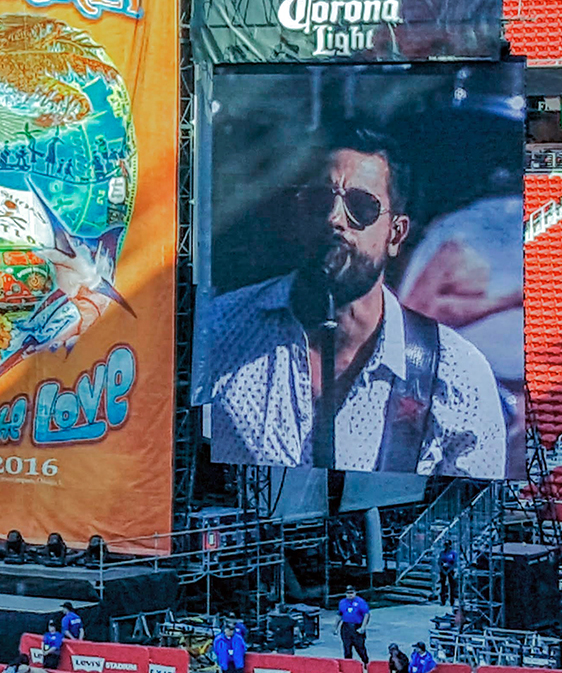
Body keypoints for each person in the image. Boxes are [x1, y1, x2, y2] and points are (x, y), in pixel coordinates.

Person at [197, 131, 506, 477]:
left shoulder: (456, 375)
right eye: (318, 201)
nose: (335, 219)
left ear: (396, 234)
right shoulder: (216, 332)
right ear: (297, 218)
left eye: (361, 207)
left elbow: (471, 519)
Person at [338, 587, 371, 664]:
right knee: (347, 648)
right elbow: (339, 614)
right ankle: (348, 665)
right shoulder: (342, 602)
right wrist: (335, 627)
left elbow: (366, 614)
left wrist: (363, 627)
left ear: (355, 593)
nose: (350, 595)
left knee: (360, 648)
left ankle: (366, 663)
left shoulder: (360, 602)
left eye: (351, 593)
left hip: (357, 626)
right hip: (346, 626)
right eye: (348, 593)